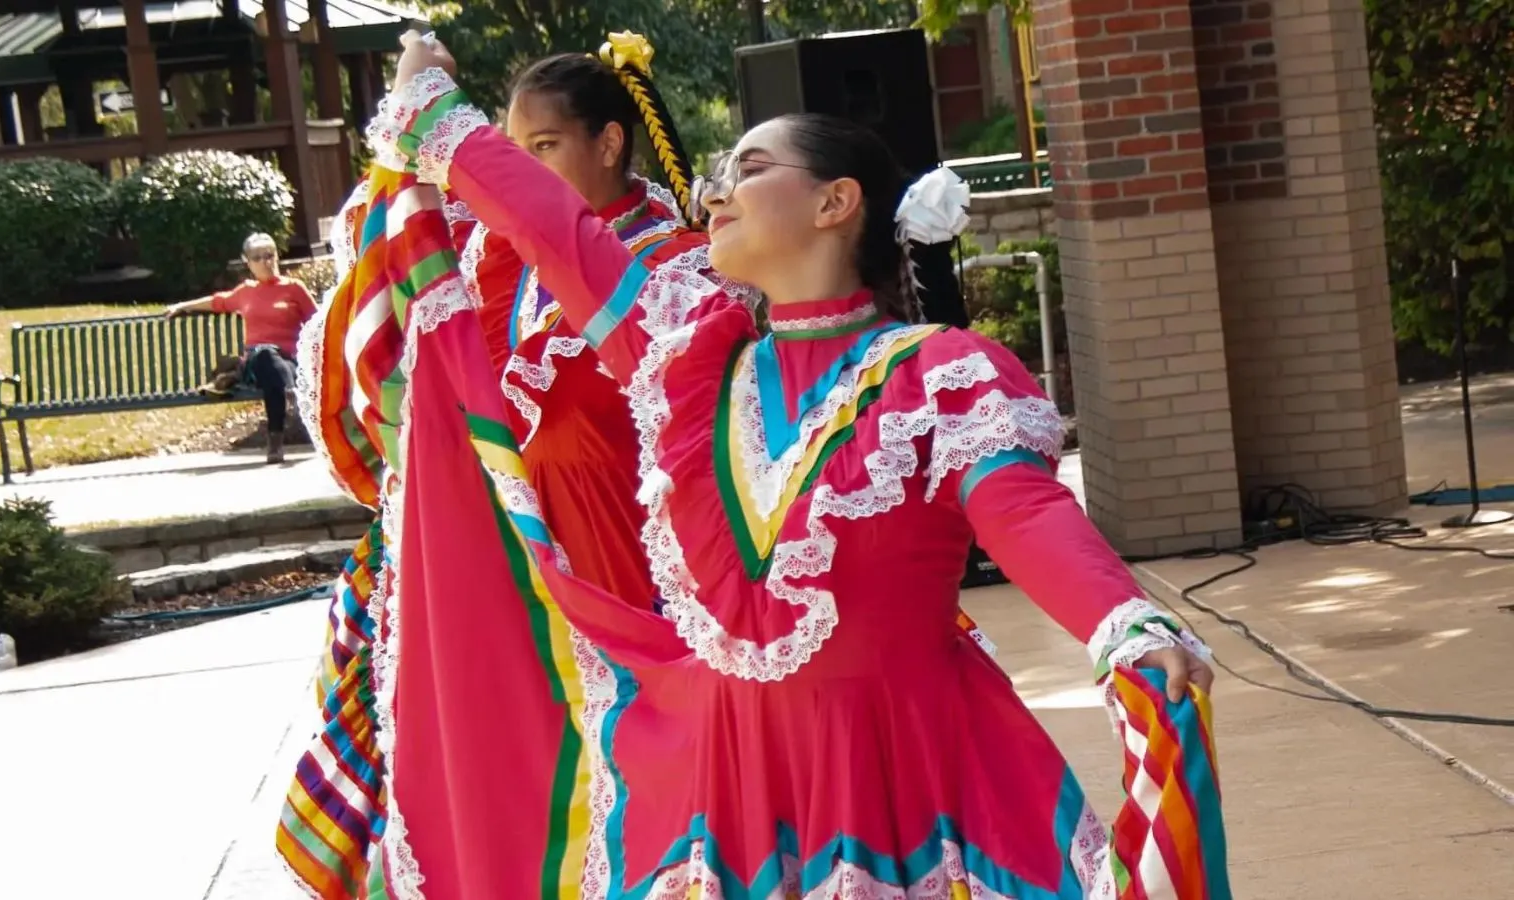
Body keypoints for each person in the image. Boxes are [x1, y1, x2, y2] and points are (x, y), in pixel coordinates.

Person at [320, 27, 1236, 899]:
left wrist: (1122, 623)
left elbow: (1026, 513)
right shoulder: (688, 363)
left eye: (752, 170)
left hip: (904, 767)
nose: (716, 193)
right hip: (729, 786)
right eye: (720, 176)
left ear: (836, 203)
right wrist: (432, 109)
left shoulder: (938, 372)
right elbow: (558, 231)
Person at [277, 35, 756, 899]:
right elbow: (397, 257)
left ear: (609, 145)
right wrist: (410, 125)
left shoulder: (682, 271)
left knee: (665, 809)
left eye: (545, 147)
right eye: (516, 147)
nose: (525, 165)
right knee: (534, 802)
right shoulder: (495, 255)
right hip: (524, 579)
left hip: (633, 572)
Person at [166, 232, 316, 463]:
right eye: (257, 257)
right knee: (266, 356)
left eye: (269, 255)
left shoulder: (294, 288)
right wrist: (183, 306)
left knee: (277, 371)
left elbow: (318, 321)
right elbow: (219, 301)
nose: (266, 261)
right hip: (257, 363)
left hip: (290, 360)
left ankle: (276, 437)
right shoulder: (246, 291)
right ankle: (286, 405)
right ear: (247, 262)